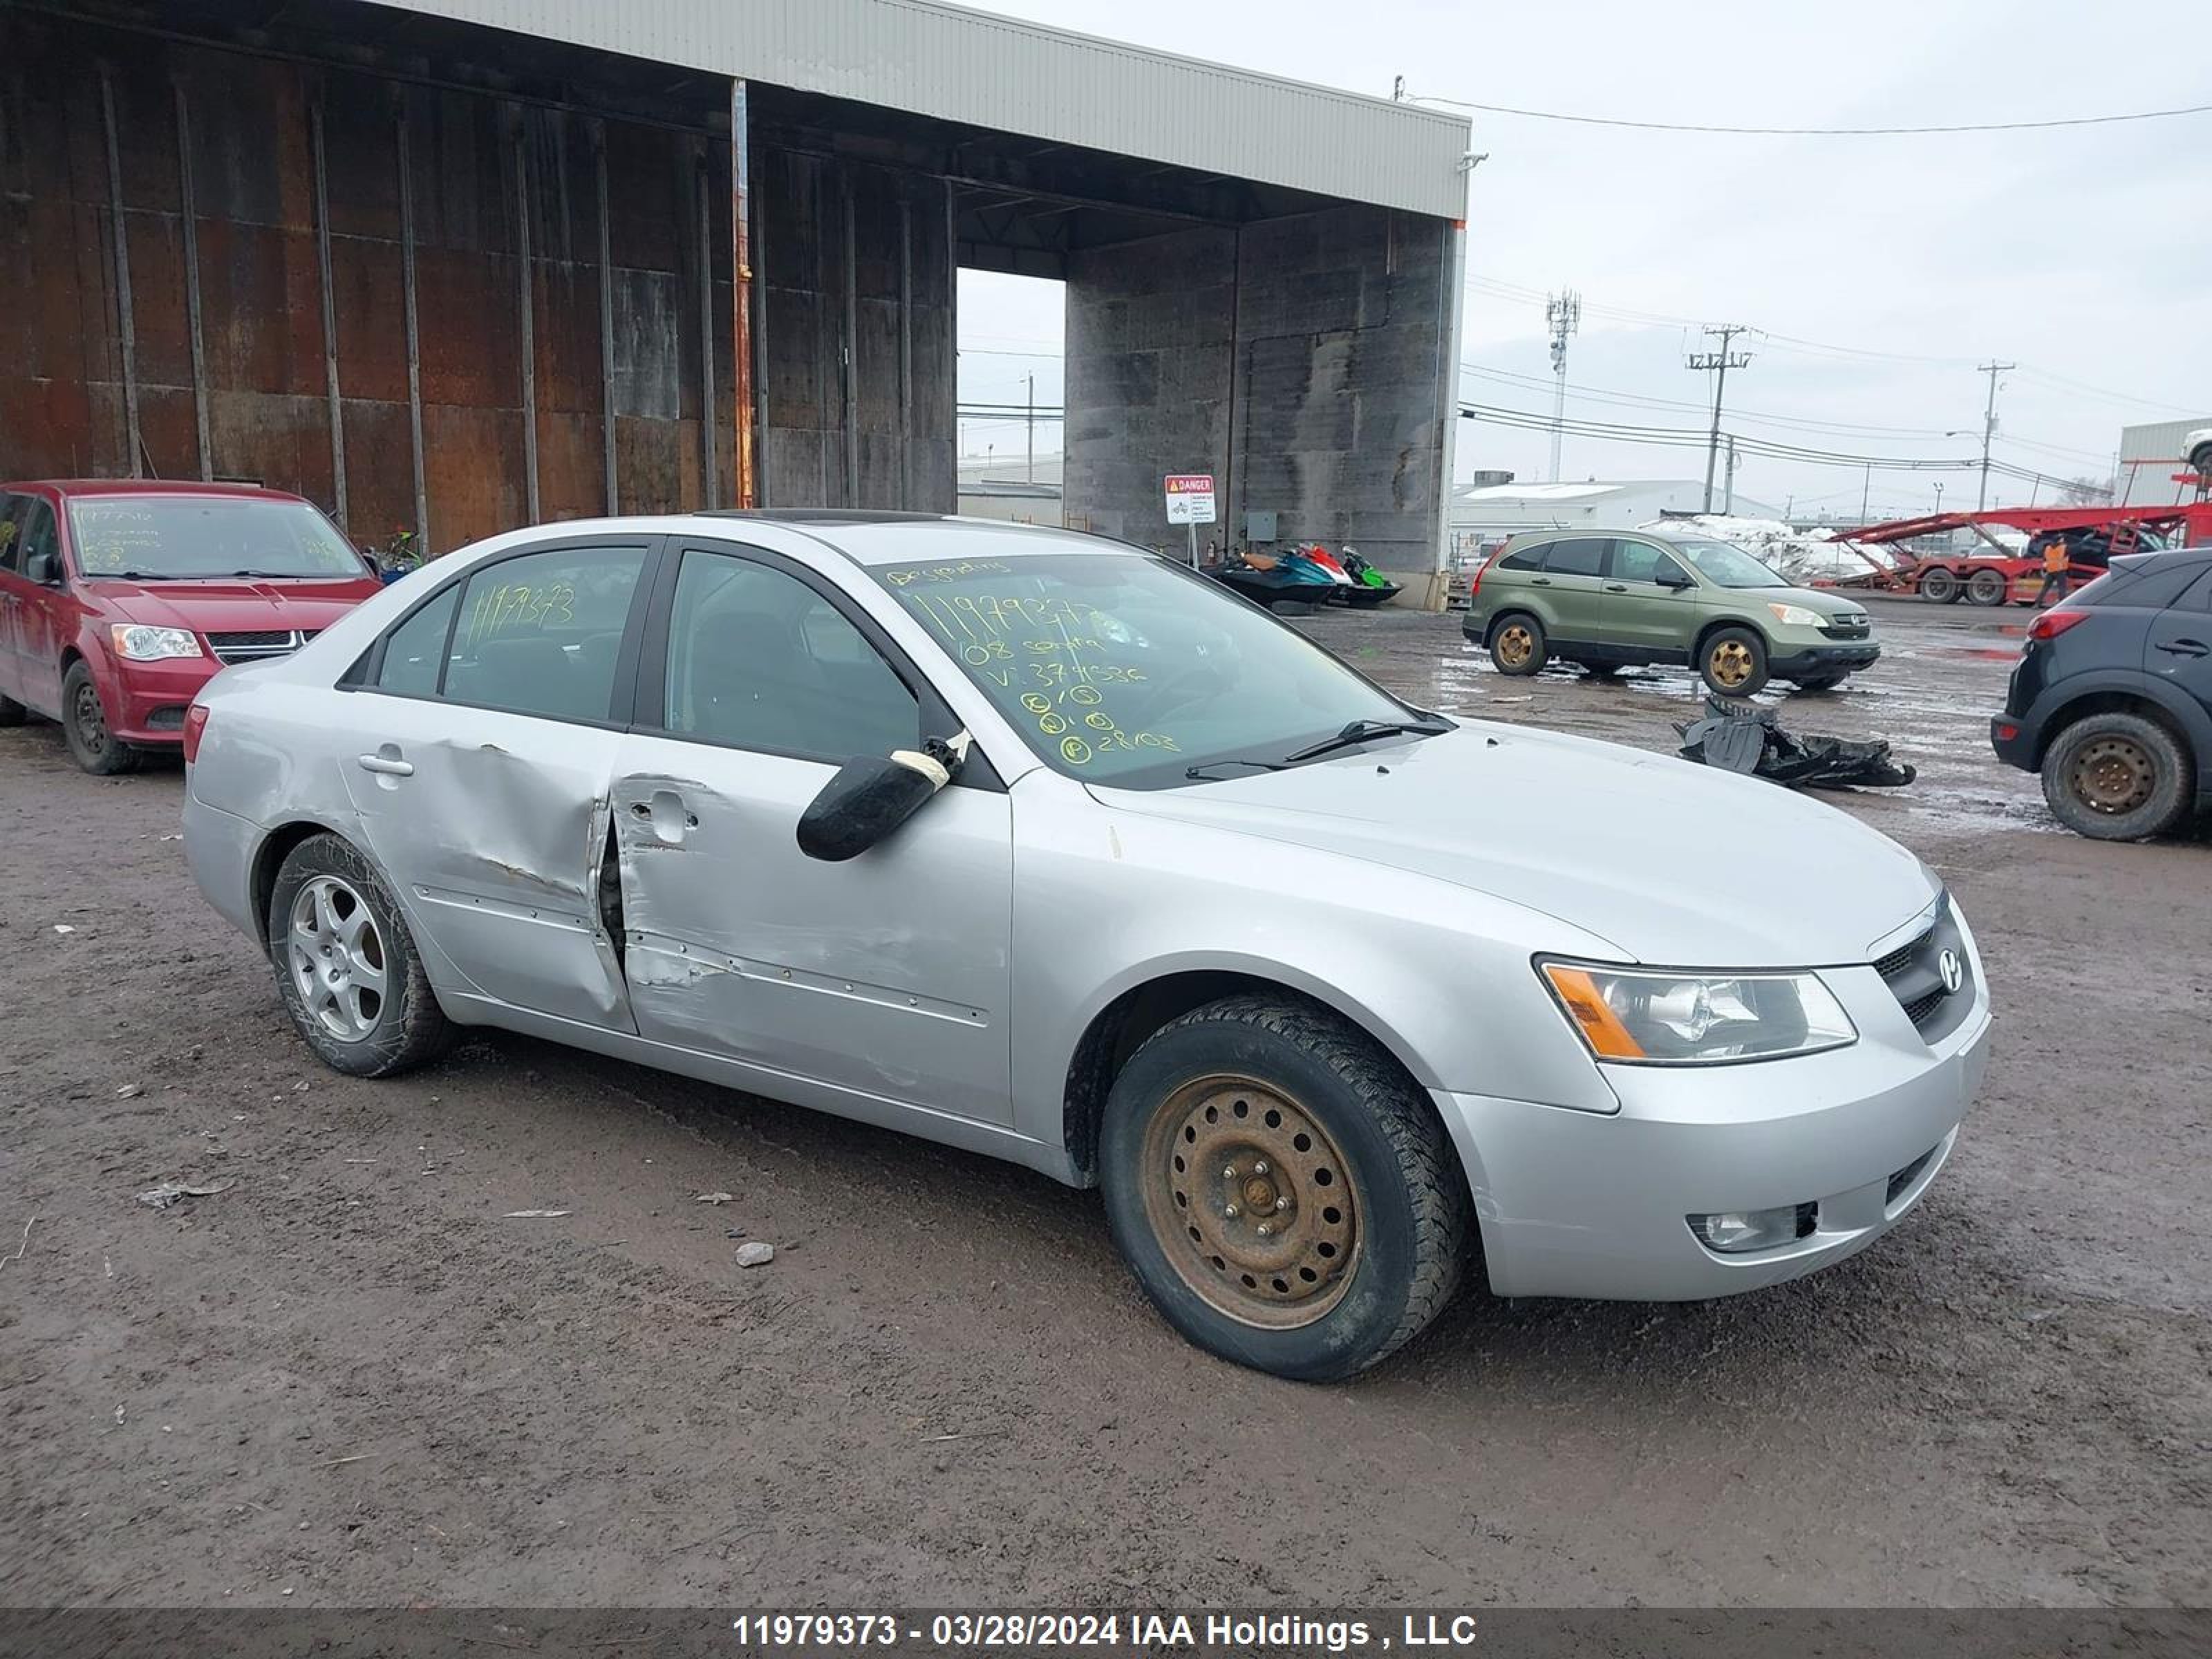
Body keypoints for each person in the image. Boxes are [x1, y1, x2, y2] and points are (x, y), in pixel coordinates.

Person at [2034, 534, 2072, 607]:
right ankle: (2062, 604)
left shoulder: (2048, 548)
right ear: (2059, 540)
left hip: (2050, 570)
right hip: (2060, 570)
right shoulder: (2063, 548)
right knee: (2062, 588)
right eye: (2062, 539)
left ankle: (2037, 603)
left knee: (2045, 587)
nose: (2063, 540)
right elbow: (2074, 550)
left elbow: (2043, 557)